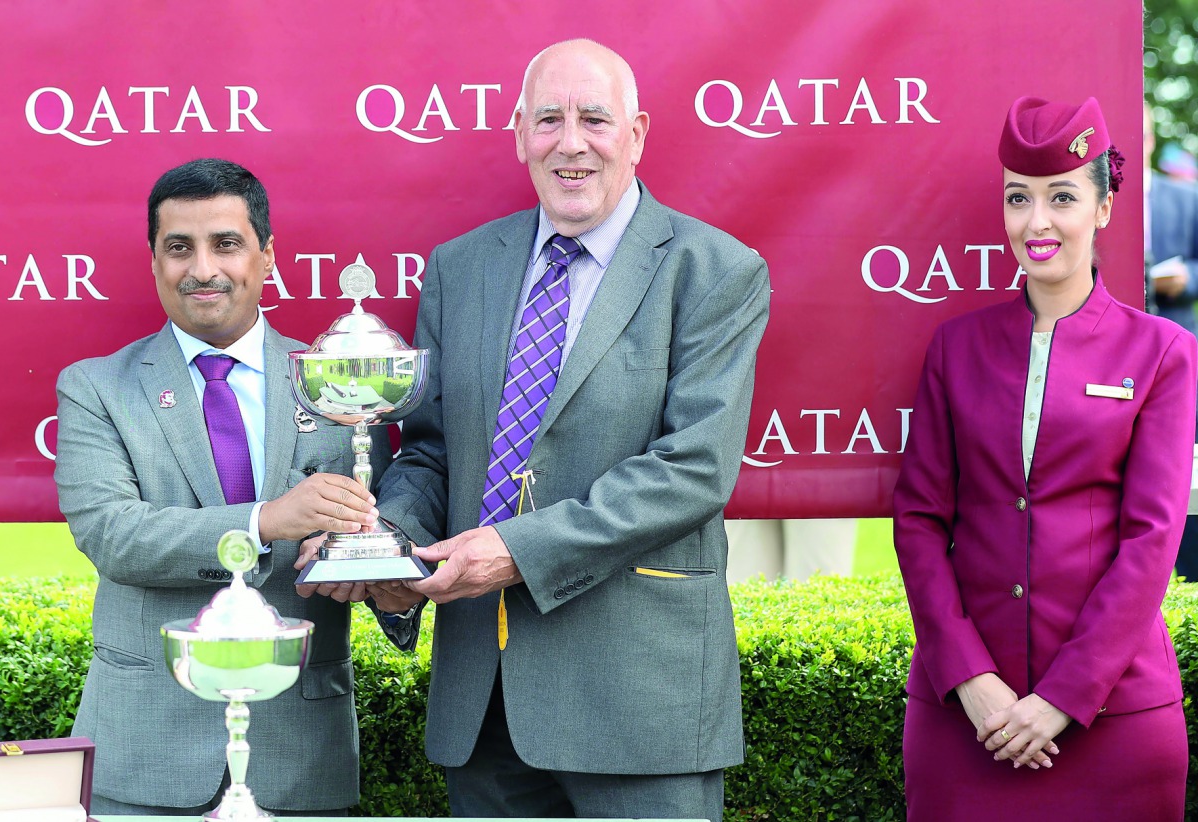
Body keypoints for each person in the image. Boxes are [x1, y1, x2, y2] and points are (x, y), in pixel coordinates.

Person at [364, 38, 769, 820]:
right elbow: (432, 449)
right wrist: (390, 539)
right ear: (518, 133)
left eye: (595, 118)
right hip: (483, 707)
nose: (571, 142)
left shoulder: (715, 271)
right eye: (549, 119)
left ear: (638, 134)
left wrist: (516, 550)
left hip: (641, 705)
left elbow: (693, 467)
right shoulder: (460, 267)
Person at [893, 96, 1196, 821]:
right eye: (1017, 199)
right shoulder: (956, 348)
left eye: (1062, 197)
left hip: (1114, 717)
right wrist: (970, 680)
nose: (1037, 222)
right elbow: (919, 521)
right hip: (966, 718)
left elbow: (1152, 540)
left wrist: (1062, 697)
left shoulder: (1162, 353)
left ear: (1103, 208)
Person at [55, 158, 382, 816]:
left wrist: (382, 574)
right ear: (154, 261)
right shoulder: (95, 388)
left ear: (266, 257)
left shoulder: (336, 382)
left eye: (225, 244)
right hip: (144, 764)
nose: (202, 268)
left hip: (300, 761)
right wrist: (267, 521)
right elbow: (113, 536)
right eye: (179, 248)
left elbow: (382, 528)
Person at [1144, 103, 1198, 580]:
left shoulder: (1186, 197)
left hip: (1180, 343)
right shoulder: (1092, 200)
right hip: (1121, 355)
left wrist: (1189, 279)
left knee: (1182, 460)